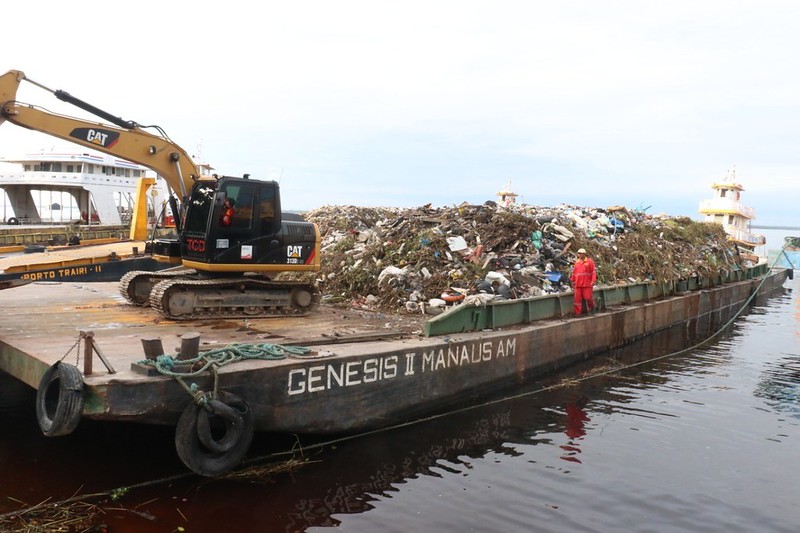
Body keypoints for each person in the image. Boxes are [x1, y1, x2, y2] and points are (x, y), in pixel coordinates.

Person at [570, 247, 596, 315]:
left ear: (584, 254)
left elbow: (593, 272)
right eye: (579, 253)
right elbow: (574, 273)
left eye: (582, 253)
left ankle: (592, 308)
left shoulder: (589, 261)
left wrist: (593, 281)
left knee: (588, 297)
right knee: (577, 300)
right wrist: (572, 281)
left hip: (587, 284)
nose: (580, 255)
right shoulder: (577, 262)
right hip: (578, 284)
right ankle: (577, 313)